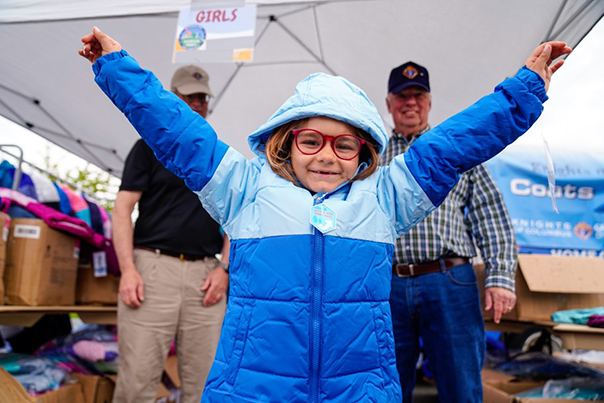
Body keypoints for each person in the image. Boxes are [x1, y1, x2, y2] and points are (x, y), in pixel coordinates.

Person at [79, 27, 570, 403]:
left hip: (359, 386)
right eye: (310, 141)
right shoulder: (244, 190)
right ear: (285, 143)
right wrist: (117, 70)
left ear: (364, 153)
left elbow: (450, 147)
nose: (326, 156)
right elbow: (179, 132)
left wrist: (524, 90)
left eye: (344, 144)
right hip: (254, 385)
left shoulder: (385, 197)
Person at [381, 61, 519, 402]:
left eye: (418, 95)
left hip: (449, 280)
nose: (410, 102)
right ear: (389, 104)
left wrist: (500, 277)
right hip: (387, 284)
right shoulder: (374, 156)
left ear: (429, 101)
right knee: (386, 387)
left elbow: (490, 212)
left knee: (461, 387)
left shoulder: (456, 149)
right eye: (402, 96)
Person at [111, 64, 230, 403]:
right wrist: (128, 270)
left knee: (207, 385)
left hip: (206, 278)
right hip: (152, 271)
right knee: (137, 383)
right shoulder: (146, 147)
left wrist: (224, 268)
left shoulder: (217, 152)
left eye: (203, 98)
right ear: (172, 98)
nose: (198, 104)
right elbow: (122, 210)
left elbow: (237, 217)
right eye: (190, 97)